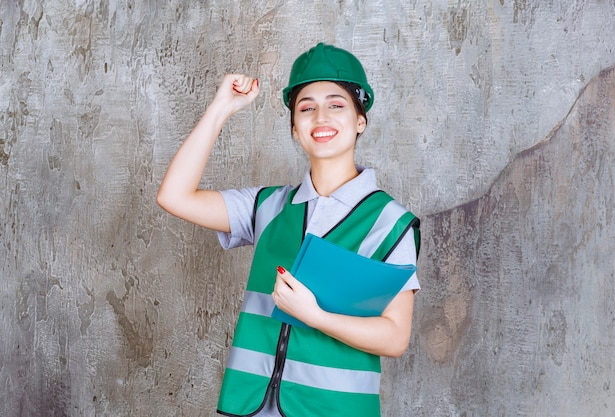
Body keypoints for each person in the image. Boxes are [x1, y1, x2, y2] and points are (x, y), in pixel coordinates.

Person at [157, 43, 421, 417]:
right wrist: (221, 109)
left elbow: (395, 337)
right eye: (306, 107)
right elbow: (175, 196)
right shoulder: (267, 206)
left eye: (336, 104)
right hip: (250, 405)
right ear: (295, 129)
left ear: (360, 120)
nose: (321, 117)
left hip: (335, 410)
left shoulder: (389, 222)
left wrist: (316, 316)